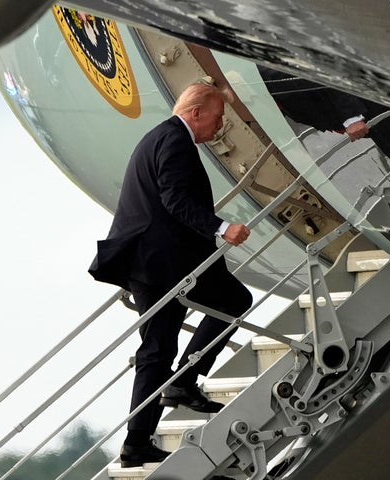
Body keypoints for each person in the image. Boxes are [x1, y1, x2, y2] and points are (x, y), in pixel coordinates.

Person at [89, 83, 253, 468]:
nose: (221, 126)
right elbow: (175, 198)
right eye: (218, 117)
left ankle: (136, 443)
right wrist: (221, 227)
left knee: (157, 351)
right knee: (233, 302)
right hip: (164, 262)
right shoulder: (176, 141)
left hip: (152, 263)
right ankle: (182, 383)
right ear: (196, 113)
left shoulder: (159, 137)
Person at [257, 65, 390, 161]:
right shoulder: (260, 85)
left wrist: (350, 118)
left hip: (361, 105)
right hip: (357, 108)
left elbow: (323, 76)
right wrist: (335, 125)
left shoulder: (268, 77)